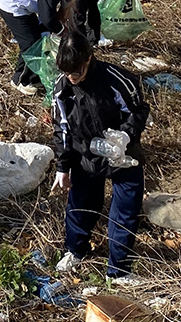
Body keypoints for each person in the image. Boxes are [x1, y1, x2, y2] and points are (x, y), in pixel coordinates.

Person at [50, 28, 149, 281]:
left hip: (122, 153)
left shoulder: (116, 79)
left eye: (76, 72)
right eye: (66, 72)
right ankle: (75, 250)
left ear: (88, 60)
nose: (72, 78)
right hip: (86, 156)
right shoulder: (62, 90)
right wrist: (63, 167)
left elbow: (137, 111)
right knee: (81, 205)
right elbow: (62, 129)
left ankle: (119, 270)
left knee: (125, 210)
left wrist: (125, 136)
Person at [0, 0, 92, 95]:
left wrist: (66, 6)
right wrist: (62, 32)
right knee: (31, 44)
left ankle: (34, 77)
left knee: (40, 38)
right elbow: (48, 18)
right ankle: (20, 81)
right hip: (11, 5)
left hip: (26, 8)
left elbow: (50, 18)